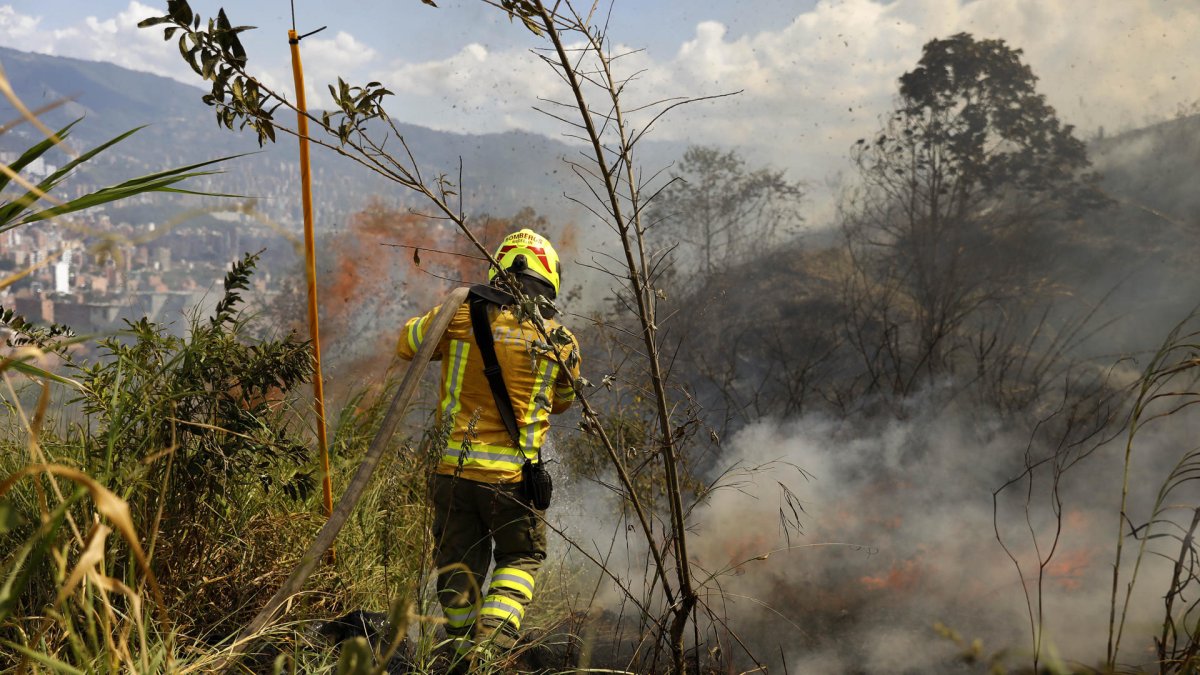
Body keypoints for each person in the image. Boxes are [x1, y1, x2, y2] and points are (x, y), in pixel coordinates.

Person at [396, 228, 581, 666]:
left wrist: (452, 309)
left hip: (453, 474)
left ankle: (463, 656)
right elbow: (563, 403)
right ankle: (493, 651)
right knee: (521, 557)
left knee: (459, 569)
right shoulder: (561, 341)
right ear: (549, 278)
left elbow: (407, 345)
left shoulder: (458, 314)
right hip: (513, 483)